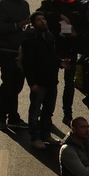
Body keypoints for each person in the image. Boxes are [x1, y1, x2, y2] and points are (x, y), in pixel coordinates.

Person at [38, 0, 89, 125]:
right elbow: (38, 16)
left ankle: (68, 114)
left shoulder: (78, 5)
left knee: (69, 84)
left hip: (70, 49)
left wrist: (76, 33)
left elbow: (86, 26)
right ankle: (46, 113)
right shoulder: (49, 3)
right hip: (53, 50)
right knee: (50, 83)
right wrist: (58, 16)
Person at [20, 11, 67, 149]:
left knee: (48, 110)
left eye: (43, 19)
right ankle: (35, 138)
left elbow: (53, 55)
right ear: (34, 24)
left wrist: (60, 62)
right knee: (35, 112)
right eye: (39, 20)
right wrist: (32, 83)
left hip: (51, 80)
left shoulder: (50, 36)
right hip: (39, 82)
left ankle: (46, 135)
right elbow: (28, 64)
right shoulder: (30, 41)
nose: (43, 21)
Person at [0, 0, 30, 131]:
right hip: (6, 52)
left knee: (17, 85)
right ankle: (1, 117)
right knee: (8, 84)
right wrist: (17, 25)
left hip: (21, 53)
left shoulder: (24, 5)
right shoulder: (1, 5)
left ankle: (13, 117)